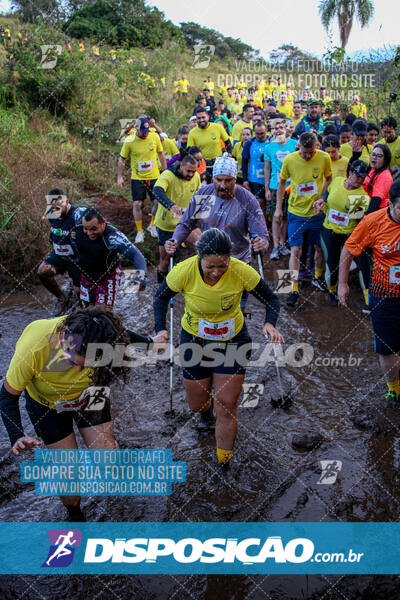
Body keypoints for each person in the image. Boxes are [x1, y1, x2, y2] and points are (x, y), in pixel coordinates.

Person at [0, 306, 167, 520]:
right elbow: (8, 395)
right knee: (69, 479)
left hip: (90, 395)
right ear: (64, 340)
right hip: (48, 405)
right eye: (73, 362)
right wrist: (17, 435)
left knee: (108, 461)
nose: (78, 371)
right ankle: (75, 514)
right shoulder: (35, 346)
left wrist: (151, 343)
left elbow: (120, 336)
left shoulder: (100, 335)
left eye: (88, 365)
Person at [154, 229, 282, 466]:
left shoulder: (242, 270)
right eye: (210, 266)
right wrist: (160, 329)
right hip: (194, 340)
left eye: (222, 266)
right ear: (199, 257)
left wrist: (269, 323)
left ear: (229, 259)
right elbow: (160, 297)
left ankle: (224, 461)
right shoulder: (184, 270)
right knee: (197, 403)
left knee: (226, 404)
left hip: (232, 341)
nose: (216, 272)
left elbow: (272, 300)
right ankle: (205, 414)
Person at [338, 180, 400, 402]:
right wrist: (343, 283)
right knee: (387, 349)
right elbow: (348, 250)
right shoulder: (373, 222)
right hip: (384, 295)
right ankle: (394, 388)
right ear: (390, 205)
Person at [165, 154, 268, 267]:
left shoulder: (247, 199)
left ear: (235, 179)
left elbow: (261, 233)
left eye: (228, 180)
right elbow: (185, 224)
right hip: (209, 261)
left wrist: (261, 243)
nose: (223, 185)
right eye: (218, 180)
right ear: (213, 178)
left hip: (237, 261)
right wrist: (174, 241)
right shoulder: (204, 194)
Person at [274, 132, 332, 307]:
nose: (308, 156)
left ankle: (318, 277)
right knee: (296, 250)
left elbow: (329, 179)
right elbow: (282, 183)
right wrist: (278, 208)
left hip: (316, 213)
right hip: (296, 212)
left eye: (311, 152)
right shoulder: (290, 160)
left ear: (316, 147)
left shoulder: (324, 158)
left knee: (318, 248)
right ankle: (292, 289)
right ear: (298, 146)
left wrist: (323, 197)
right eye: (304, 152)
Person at [313, 160, 370, 306]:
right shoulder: (338, 181)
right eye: (358, 176)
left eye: (363, 177)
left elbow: (362, 221)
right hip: (328, 230)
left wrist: (356, 215)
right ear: (350, 172)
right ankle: (332, 291)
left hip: (348, 235)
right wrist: (321, 200)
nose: (360, 180)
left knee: (361, 264)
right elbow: (328, 191)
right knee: (332, 265)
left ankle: (368, 300)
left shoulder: (362, 196)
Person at [74, 207, 147, 308]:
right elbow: (63, 210)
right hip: (86, 276)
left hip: (107, 278)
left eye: (94, 229)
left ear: (103, 222)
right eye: (85, 229)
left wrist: (141, 277)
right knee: (86, 309)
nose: (89, 233)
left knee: (102, 313)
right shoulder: (78, 216)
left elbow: (136, 255)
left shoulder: (113, 237)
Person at [118, 115, 166, 243]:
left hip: (154, 176)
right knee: (137, 204)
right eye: (142, 132)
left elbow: (161, 154)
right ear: (137, 129)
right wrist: (119, 176)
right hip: (138, 178)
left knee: (157, 202)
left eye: (147, 131)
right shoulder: (130, 140)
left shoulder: (154, 137)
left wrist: (165, 171)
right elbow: (122, 159)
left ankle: (153, 225)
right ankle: (140, 231)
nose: (145, 134)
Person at [153, 154, 201, 281]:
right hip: (167, 224)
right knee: (165, 261)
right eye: (188, 171)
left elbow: (199, 197)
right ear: (181, 166)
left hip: (186, 222)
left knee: (203, 244)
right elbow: (157, 191)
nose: (191, 174)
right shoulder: (168, 175)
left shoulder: (196, 177)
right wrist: (171, 205)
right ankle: (161, 292)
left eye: (193, 171)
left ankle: (199, 280)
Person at [37, 189, 82, 314]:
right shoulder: (51, 212)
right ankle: (62, 299)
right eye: (52, 207)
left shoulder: (77, 215)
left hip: (76, 258)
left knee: (80, 295)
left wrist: (80, 235)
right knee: (42, 271)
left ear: (66, 202)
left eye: (58, 206)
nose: (55, 210)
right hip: (59, 254)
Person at [264, 121, 297, 258]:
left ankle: (283, 244)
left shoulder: (294, 145)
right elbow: (267, 168)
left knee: (285, 217)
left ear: (286, 130)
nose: (278, 130)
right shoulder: (269, 147)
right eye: (275, 128)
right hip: (274, 186)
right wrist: (266, 188)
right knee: (276, 217)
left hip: (291, 187)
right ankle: (275, 246)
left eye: (281, 128)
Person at [187, 107, 232, 183]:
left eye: (203, 117)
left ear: (208, 116)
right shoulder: (192, 133)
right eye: (199, 118)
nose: (201, 120)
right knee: (206, 189)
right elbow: (190, 150)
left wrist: (229, 153)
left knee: (219, 186)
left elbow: (227, 142)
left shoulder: (217, 127)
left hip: (218, 163)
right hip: (203, 165)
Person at [242, 121, 269, 212]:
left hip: (269, 178)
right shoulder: (249, 143)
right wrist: (245, 180)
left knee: (267, 204)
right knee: (259, 204)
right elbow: (244, 162)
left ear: (266, 131)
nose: (260, 136)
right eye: (257, 133)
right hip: (255, 179)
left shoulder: (271, 142)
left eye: (262, 133)